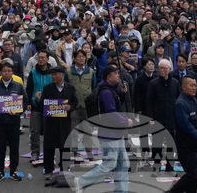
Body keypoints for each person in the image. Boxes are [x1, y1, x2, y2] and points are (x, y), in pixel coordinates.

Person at [75, 65, 131, 193]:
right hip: (109, 134)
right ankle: (81, 182)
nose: (118, 75)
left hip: (116, 132)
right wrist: (125, 121)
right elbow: (111, 113)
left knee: (123, 164)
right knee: (109, 165)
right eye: (116, 74)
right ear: (109, 77)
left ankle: (121, 191)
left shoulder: (111, 89)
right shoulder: (105, 92)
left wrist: (122, 94)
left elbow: (115, 105)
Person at [0, 61, 25, 182]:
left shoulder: (18, 86)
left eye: (9, 71)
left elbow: (25, 102)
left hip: (14, 123)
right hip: (0, 122)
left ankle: (14, 171)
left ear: (12, 72)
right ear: (0, 73)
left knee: (14, 148)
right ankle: (0, 171)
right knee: (0, 148)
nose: (7, 73)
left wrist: (19, 112)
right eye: (4, 71)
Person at [171, 76, 197, 193]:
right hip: (185, 146)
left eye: (195, 85)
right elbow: (186, 126)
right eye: (191, 85)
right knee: (192, 175)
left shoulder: (194, 100)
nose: (194, 88)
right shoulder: (180, 103)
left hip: (194, 145)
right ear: (183, 87)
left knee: (195, 175)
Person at [41, 65, 77, 178]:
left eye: (55, 74)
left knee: (65, 145)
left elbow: (75, 102)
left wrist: (69, 107)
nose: (53, 76)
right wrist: (39, 99)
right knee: (49, 146)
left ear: (61, 75)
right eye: (52, 74)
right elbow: (42, 103)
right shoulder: (47, 88)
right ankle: (48, 169)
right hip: (51, 122)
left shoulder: (70, 88)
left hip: (64, 121)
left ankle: (64, 168)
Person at [146, 58, 180, 171]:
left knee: (171, 144)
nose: (162, 70)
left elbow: (179, 99)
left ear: (169, 69)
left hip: (171, 118)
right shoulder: (153, 83)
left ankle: (170, 166)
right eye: (160, 68)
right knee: (157, 145)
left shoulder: (175, 83)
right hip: (157, 118)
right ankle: (157, 165)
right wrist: (150, 117)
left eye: (165, 68)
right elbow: (149, 101)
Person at [26, 49, 53, 166]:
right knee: (34, 131)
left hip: (49, 106)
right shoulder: (33, 72)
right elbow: (29, 88)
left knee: (49, 132)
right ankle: (35, 153)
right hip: (36, 105)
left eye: (43, 58)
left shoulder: (52, 72)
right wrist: (29, 101)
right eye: (39, 58)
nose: (41, 60)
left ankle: (48, 154)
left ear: (48, 59)